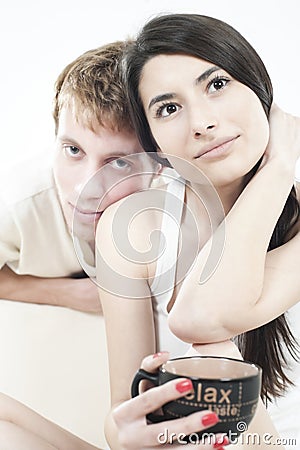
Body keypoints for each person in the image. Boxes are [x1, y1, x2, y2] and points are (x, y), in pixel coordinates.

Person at [95, 13, 300, 448]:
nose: (201, 123)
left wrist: (280, 169)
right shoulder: (137, 225)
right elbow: (122, 408)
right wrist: (127, 434)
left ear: (259, 87)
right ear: (153, 138)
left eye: (217, 84)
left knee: (213, 356)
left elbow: (201, 318)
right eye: (169, 108)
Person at [0, 40, 157, 313]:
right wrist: (68, 293)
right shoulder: (18, 205)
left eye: (119, 163)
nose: (88, 186)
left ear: (159, 164)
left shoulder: (181, 203)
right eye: (73, 150)